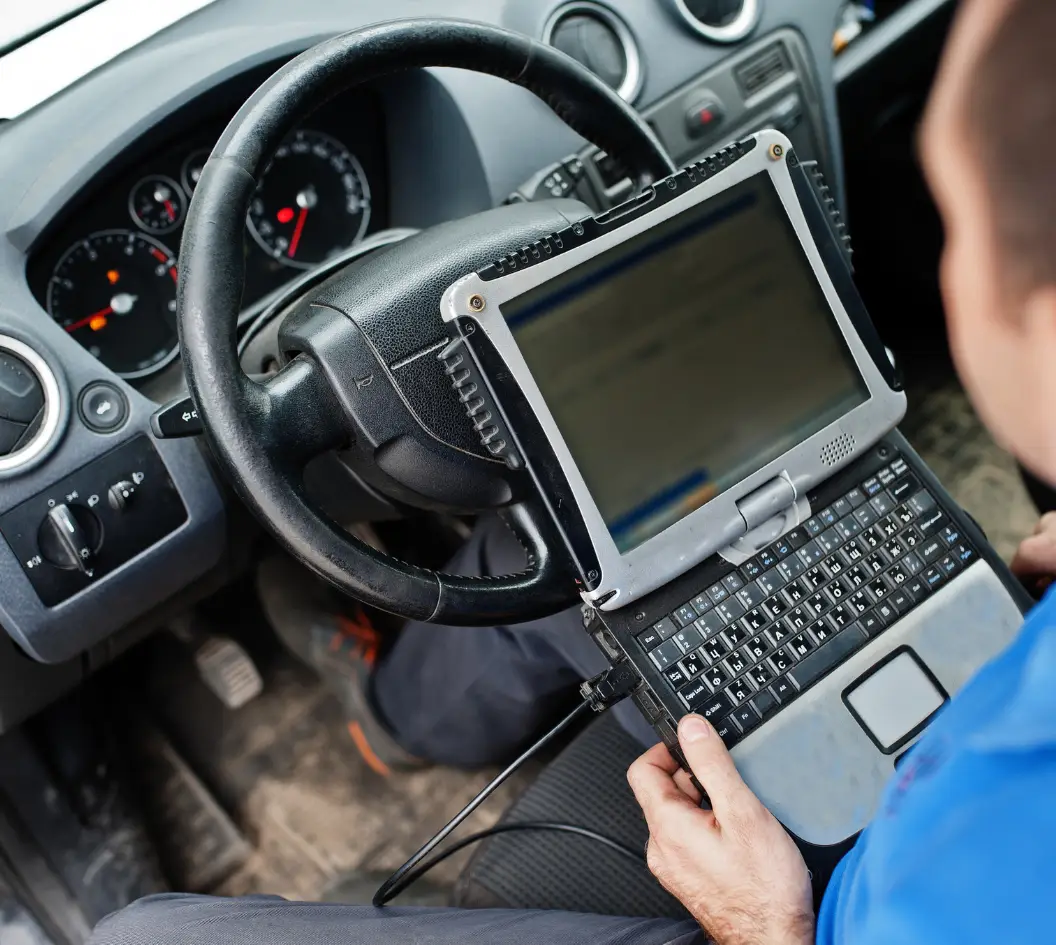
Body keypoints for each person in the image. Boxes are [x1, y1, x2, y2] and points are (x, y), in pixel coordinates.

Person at [89, 0, 1056, 942]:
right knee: (587, 546)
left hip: (828, 903)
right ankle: (397, 717)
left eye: (962, 229)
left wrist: (764, 920)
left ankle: (391, 716)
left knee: (142, 935)